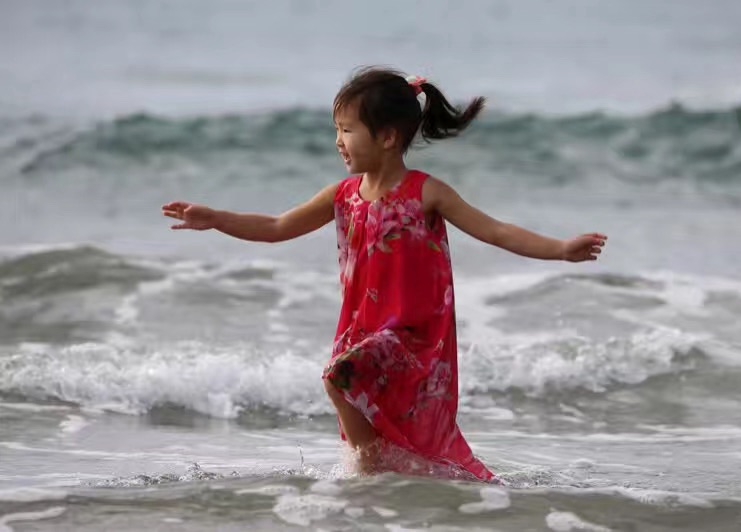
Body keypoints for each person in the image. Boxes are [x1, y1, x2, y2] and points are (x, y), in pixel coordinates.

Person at [162, 66, 607, 482]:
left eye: (347, 130)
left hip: (413, 335)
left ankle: (366, 473)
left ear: (388, 137)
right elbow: (278, 226)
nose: (338, 141)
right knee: (363, 403)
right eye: (337, 129)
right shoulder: (342, 195)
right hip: (361, 329)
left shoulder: (426, 192)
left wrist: (560, 250)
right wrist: (216, 218)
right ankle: (385, 480)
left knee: (339, 378)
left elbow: (495, 230)